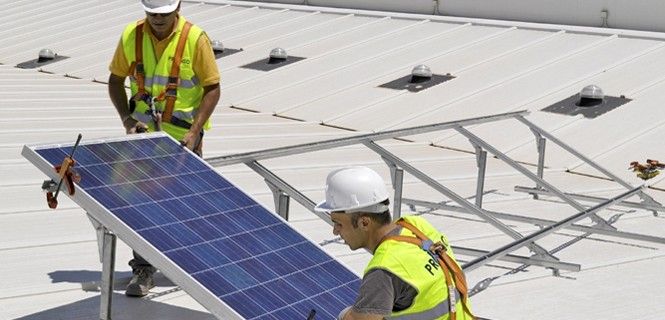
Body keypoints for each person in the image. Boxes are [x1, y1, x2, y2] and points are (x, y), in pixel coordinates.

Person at [108, 0, 220, 297]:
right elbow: (115, 80)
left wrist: (195, 132)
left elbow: (212, 88)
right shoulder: (132, 35)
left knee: (186, 204)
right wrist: (126, 119)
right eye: (152, 13)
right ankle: (143, 268)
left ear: (178, 7)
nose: (158, 19)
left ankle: (192, 264)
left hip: (182, 139)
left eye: (164, 14)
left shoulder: (195, 39)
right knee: (140, 205)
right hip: (143, 136)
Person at [315, 167, 474, 320]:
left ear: (364, 223)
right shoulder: (416, 225)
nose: (335, 231)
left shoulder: (384, 270)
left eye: (338, 223)